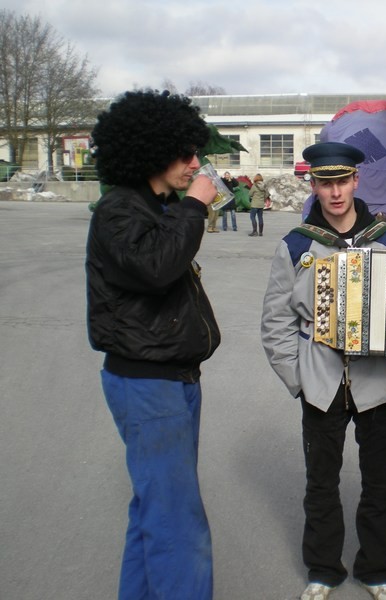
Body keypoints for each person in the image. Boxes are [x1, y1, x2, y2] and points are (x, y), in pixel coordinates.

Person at [261, 141, 386, 600]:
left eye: (343, 181)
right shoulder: (297, 245)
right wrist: (297, 379)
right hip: (321, 383)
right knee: (321, 483)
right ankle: (323, 570)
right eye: (325, 182)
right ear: (314, 185)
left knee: (380, 483)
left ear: (357, 181)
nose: (335, 192)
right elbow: (275, 322)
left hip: (379, 382)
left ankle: (376, 570)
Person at [85, 89, 221, 600]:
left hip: (173, 380)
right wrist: (194, 205)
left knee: (152, 513)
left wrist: (181, 207)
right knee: (178, 527)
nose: (194, 164)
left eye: (195, 154)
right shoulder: (118, 210)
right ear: (151, 151)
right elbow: (157, 267)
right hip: (147, 384)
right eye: (185, 154)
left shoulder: (151, 207)